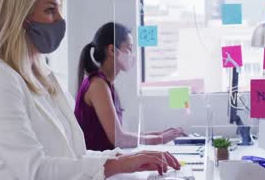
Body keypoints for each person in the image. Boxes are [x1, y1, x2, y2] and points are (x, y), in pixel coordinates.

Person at [0, 0, 180, 180]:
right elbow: (37, 173)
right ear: (20, 18)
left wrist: (126, 159)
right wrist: (118, 165)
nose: (60, 20)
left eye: (59, 10)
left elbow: (75, 155)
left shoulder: (42, 76)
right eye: (50, 10)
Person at [75, 22, 185, 151]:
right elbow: (119, 139)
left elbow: (121, 135)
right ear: (112, 50)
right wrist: (159, 140)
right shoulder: (98, 85)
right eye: (129, 48)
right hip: (98, 166)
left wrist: (159, 134)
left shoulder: (106, 84)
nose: (132, 54)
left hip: (106, 160)